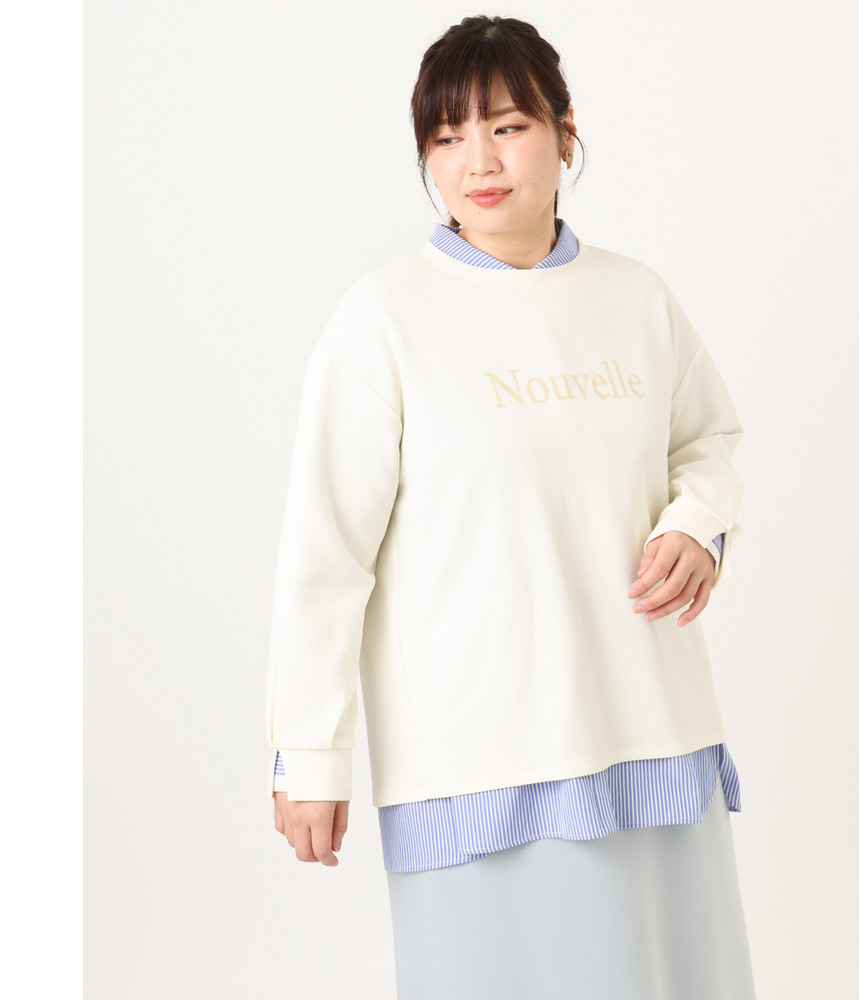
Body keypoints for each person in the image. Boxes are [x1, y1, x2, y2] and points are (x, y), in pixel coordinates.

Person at [265, 14, 755, 999]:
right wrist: (310, 754)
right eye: (447, 137)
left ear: (565, 131)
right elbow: (326, 555)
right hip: (476, 754)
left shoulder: (636, 299)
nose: (478, 161)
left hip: (651, 731)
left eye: (507, 126)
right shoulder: (383, 321)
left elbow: (708, 443)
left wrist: (696, 526)